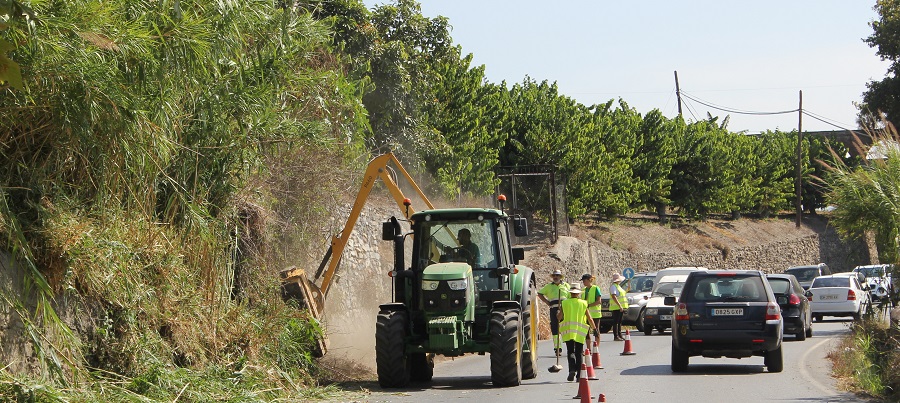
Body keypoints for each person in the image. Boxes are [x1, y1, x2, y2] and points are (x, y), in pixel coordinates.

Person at [558, 285, 596, 381]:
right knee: (579, 352)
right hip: (580, 331)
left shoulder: (564, 303)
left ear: (570, 293)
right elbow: (589, 318)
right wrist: (594, 328)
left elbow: (559, 317)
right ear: (579, 293)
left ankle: (572, 370)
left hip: (568, 330)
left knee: (570, 351)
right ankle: (579, 375)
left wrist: (559, 310)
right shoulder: (583, 303)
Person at [538, 269, 570, 354]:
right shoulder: (549, 286)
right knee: (555, 328)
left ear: (560, 277)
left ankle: (569, 347)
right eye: (554, 276)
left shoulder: (566, 286)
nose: (555, 277)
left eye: (557, 276)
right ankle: (557, 348)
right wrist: (546, 302)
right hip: (553, 309)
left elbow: (571, 296)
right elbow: (540, 294)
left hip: (565, 309)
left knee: (566, 327)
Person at [579, 273, 603, 337]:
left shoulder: (596, 288)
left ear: (589, 280)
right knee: (586, 331)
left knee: (596, 330)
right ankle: (588, 347)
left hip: (595, 314)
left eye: (584, 281)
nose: (583, 282)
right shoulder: (583, 290)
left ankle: (596, 346)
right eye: (583, 281)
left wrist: (588, 305)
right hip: (586, 313)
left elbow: (599, 301)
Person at [609, 273, 629, 341]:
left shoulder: (618, 286)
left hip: (620, 307)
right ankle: (616, 336)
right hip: (616, 307)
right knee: (616, 322)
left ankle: (620, 335)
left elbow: (623, 293)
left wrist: (628, 286)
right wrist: (619, 305)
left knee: (619, 322)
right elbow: (614, 296)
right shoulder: (613, 287)